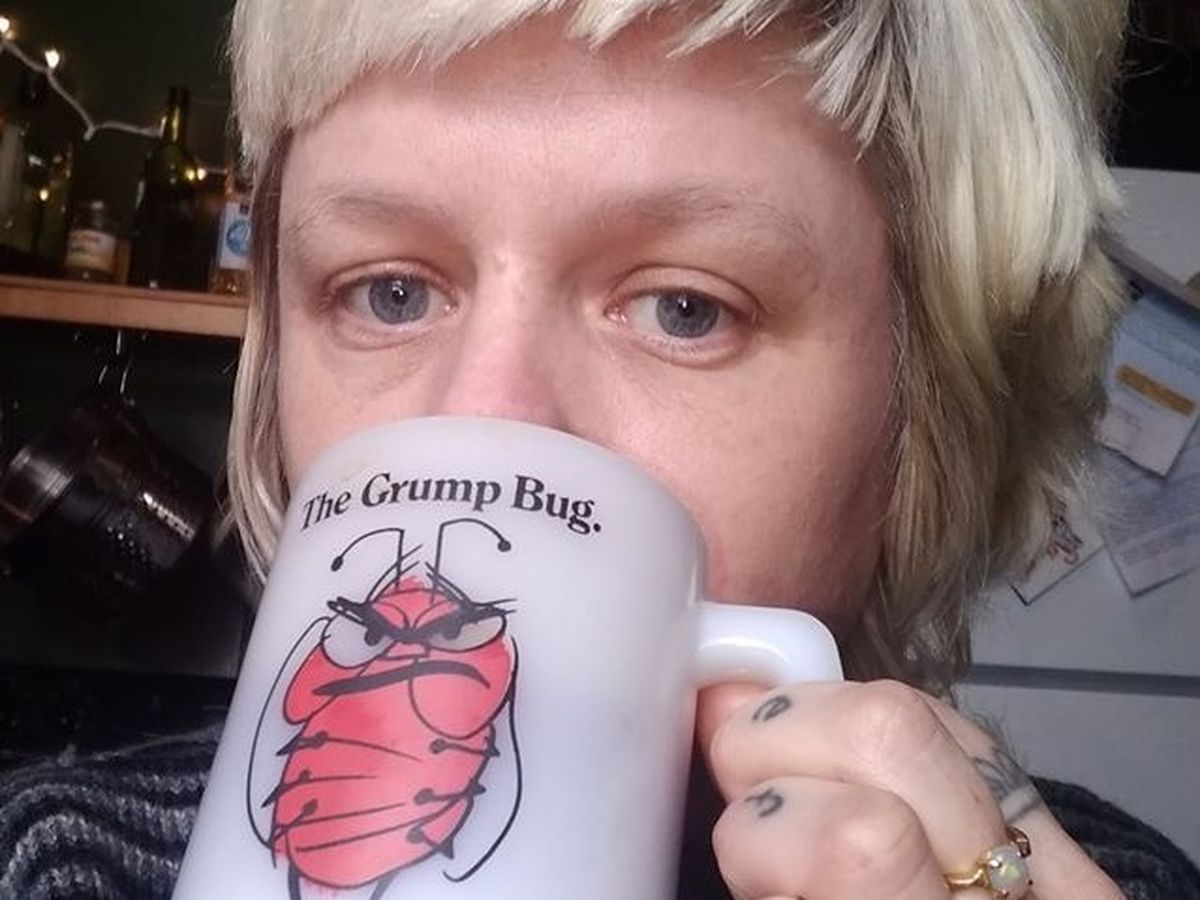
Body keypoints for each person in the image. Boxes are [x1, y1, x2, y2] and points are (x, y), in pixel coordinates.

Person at [2, 1, 1200, 898]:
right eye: (389, 293)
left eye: (686, 308)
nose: (484, 425)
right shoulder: (50, 860)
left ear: (924, 423)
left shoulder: (1117, 882)